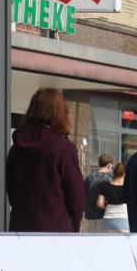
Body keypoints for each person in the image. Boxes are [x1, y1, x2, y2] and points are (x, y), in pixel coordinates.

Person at [6, 88, 85, 232]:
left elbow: (11, 191)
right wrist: (73, 226)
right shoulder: (63, 149)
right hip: (56, 230)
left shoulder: (17, 147)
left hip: (20, 228)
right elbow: (76, 196)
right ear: (60, 113)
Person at [83, 154, 113, 232]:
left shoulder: (89, 178)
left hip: (90, 215)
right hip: (103, 215)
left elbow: (84, 194)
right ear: (109, 165)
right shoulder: (110, 178)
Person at [97, 162, 129, 233]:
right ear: (124, 174)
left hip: (108, 217)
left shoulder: (104, 185)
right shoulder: (128, 187)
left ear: (114, 173)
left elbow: (99, 203)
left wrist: (108, 207)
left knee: (108, 241)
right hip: (124, 218)